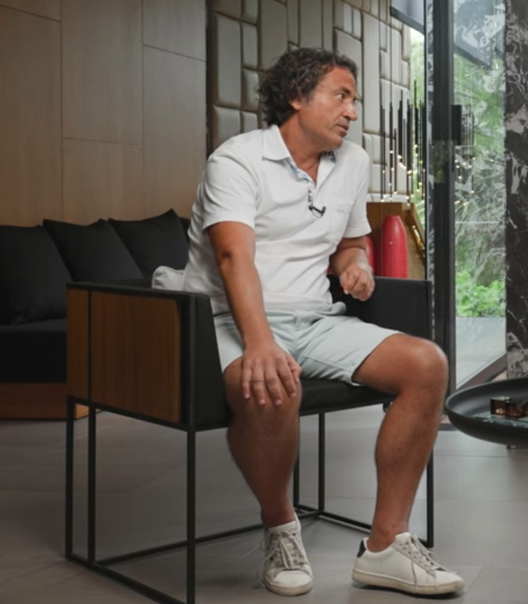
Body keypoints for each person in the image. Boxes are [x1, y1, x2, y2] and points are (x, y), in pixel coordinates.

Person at [181, 48, 463, 598]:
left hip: (312, 317)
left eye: (353, 99)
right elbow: (233, 258)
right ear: (296, 97)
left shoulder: (351, 162)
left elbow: (350, 242)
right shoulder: (236, 160)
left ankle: (386, 545)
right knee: (274, 383)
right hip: (224, 317)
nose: (352, 111)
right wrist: (260, 343)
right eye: (341, 96)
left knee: (426, 364)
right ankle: (280, 527)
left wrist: (357, 266)